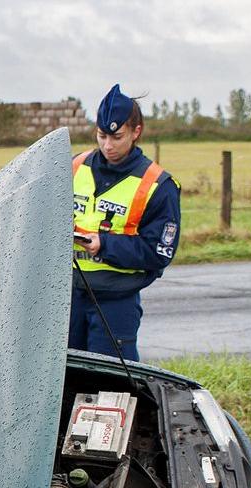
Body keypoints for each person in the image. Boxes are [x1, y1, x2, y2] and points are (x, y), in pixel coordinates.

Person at [70, 84, 181, 361]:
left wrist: (104, 245)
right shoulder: (74, 166)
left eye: (117, 137)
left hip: (115, 303)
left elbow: (158, 252)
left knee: (110, 391)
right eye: (102, 135)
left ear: (136, 132)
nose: (108, 145)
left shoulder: (158, 185)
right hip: (68, 298)